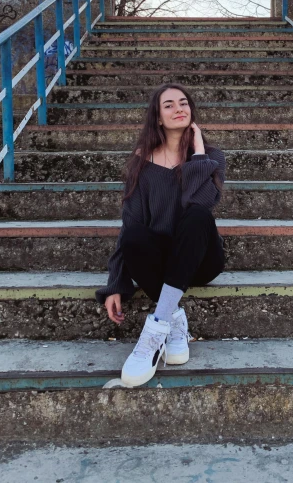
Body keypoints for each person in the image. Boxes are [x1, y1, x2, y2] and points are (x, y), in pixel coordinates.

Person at [96, 83, 226, 387]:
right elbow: (130, 224)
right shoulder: (141, 164)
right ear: (157, 117)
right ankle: (174, 318)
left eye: (183, 103)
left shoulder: (211, 158)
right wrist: (116, 282)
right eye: (168, 105)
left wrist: (198, 153)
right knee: (134, 236)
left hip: (201, 260)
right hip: (159, 263)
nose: (178, 108)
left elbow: (201, 202)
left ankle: (153, 332)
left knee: (197, 215)